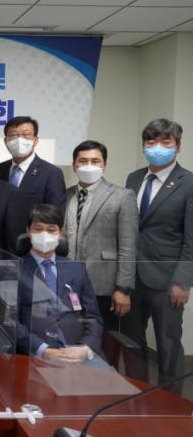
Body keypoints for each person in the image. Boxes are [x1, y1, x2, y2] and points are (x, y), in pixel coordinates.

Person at [124, 118, 193, 393]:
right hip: (131, 277)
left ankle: (171, 403)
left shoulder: (188, 182)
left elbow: (191, 239)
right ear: (143, 146)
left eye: (166, 142)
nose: (157, 147)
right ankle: (137, 395)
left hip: (167, 280)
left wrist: (183, 282)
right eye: (151, 142)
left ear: (178, 146)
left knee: (168, 343)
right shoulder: (134, 178)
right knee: (132, 341)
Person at [63, 140, 138, 367]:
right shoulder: (65, 195)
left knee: (102, 346)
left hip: (104, 285)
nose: (89, 165)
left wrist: (123, 288)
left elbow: (128, 245)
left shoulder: (122, 196)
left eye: (95, 161)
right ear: (74, 165)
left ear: (104, 164)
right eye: (83, 161)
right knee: (71, 341)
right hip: (68, 285)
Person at [17, 205, 103, 363]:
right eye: (38, 229)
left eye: (51, 230)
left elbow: (93, 318)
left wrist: (85, 348)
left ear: (60, 232)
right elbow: (10, 323)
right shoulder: (15, 269)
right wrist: (43, 351)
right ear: (28, 231)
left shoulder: (76, 269)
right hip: (36, 356)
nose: (45, 235)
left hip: (80, 355)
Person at [0, 116, 66, 216]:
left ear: (35, 140)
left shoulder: (52, 173)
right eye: (13, 135)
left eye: (26, 134)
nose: (19, 139)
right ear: (6, 141)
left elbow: (55, 213)